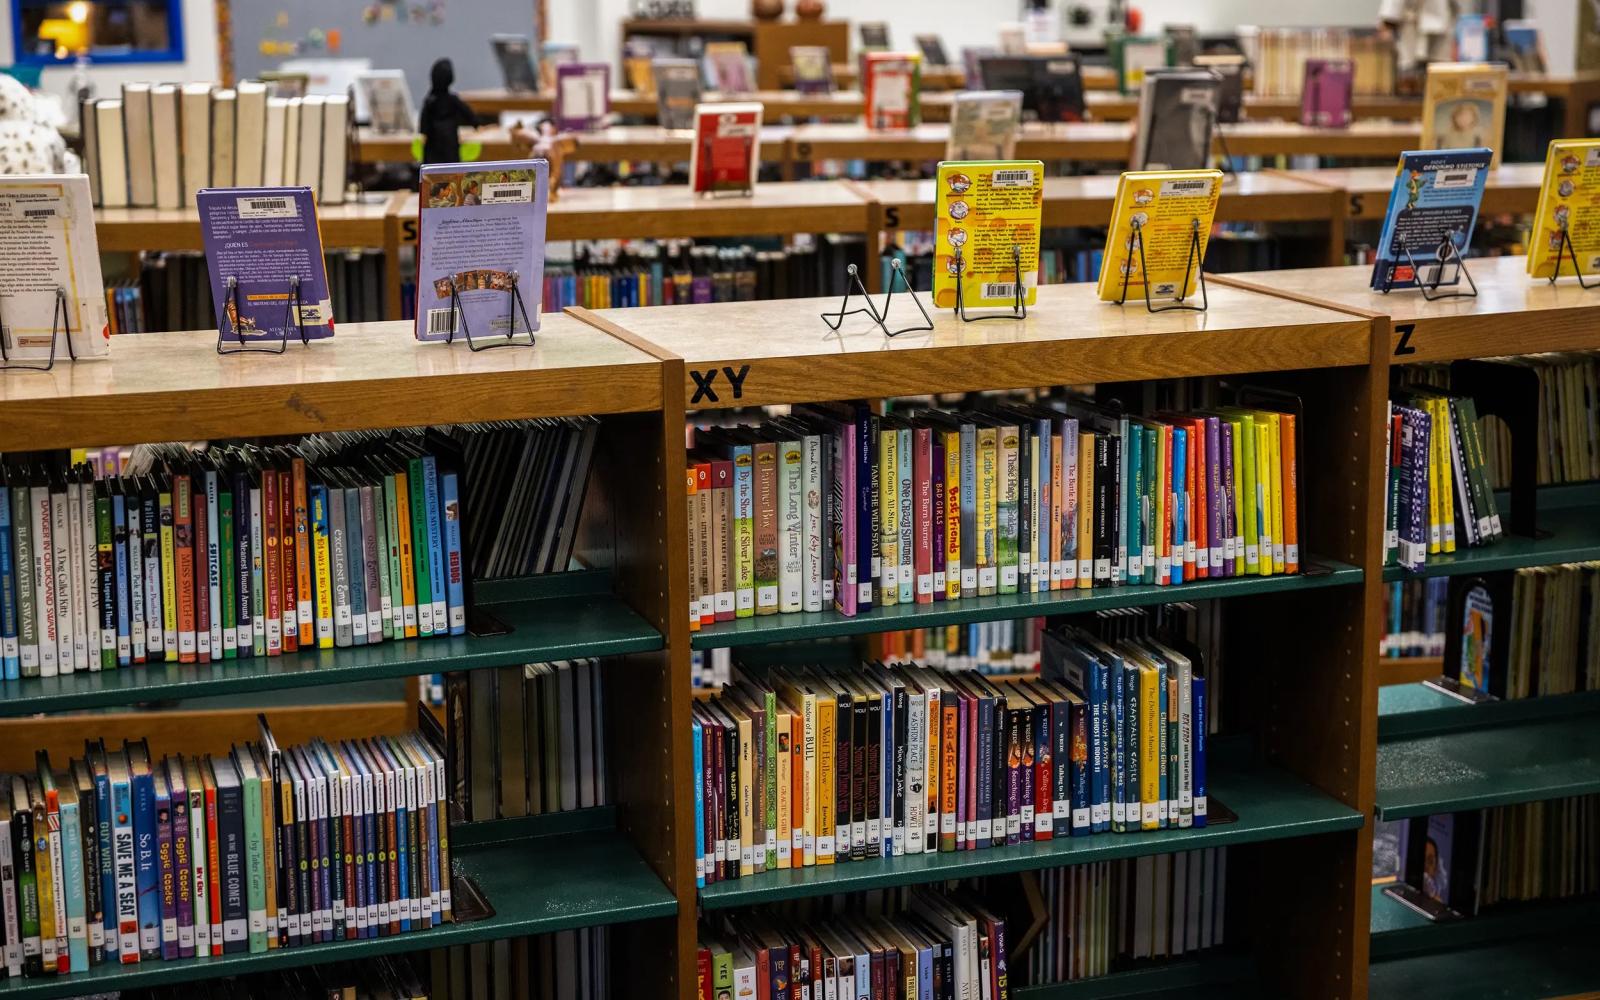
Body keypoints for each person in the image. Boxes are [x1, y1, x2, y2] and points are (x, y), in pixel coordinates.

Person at [418, 58, 479, 164]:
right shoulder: (452, 100)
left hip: (433, 147)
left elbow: (423, 126)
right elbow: (469, 115)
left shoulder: (430, 101)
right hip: (450, 143)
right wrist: (476, 124)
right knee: (451, 170)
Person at [1378, 0, 1459, 72]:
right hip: (1413, 27)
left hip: (1442, 26)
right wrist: (1388, 23)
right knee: (1410, 72)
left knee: (1439, 70)